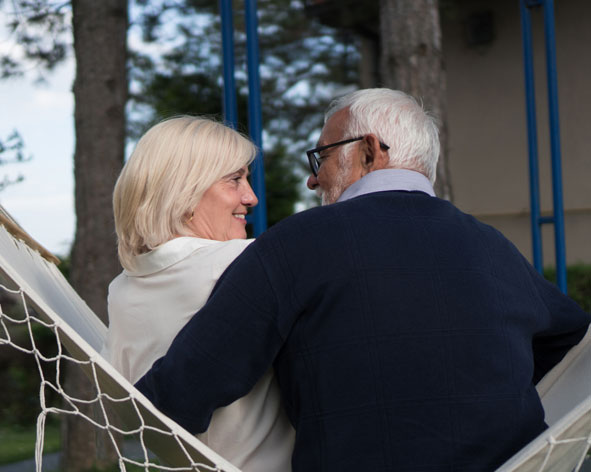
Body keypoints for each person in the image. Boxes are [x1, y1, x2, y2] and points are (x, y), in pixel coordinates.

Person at [135, 90, 591, 471]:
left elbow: (181, 391)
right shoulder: (494, 247)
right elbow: (572, 341)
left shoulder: (296, 244)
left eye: (323, 157)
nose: (313, 180)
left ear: (370, 150)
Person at [101, 116, 295, 471]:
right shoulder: (250, 264)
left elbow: (130, 416)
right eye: (234, 180)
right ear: (184, 192)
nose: (250, 197)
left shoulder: (122, 290)